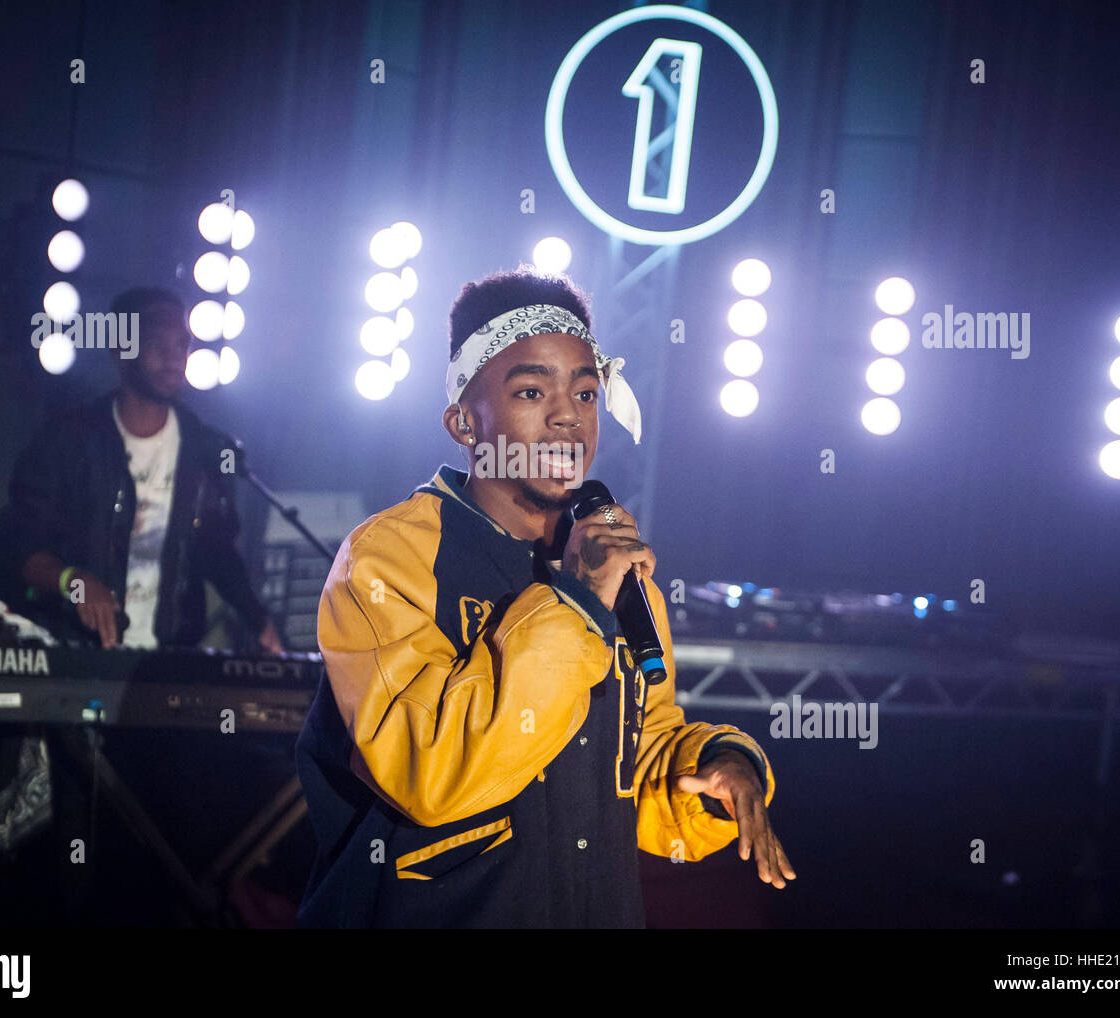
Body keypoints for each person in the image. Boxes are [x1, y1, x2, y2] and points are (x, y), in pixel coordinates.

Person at [295, 267, 794, 928]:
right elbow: (428, 772)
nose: (568, 415)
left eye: (587, 393)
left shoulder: (614, 569)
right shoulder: (390, 556)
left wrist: (713, 768)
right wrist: (578, 602)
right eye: (532, 390)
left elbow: (637, 759)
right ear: (463, 423)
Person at [5, 287, 281, 653]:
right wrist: (75, 582)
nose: (173, 357)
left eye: (181, 345)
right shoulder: (67, 442)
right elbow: (21, 550)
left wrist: (258, 619)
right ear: (121, 351)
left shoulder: (207, 448)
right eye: (157, 344)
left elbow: (216, 550)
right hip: (79, 651)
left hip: (169, 658)